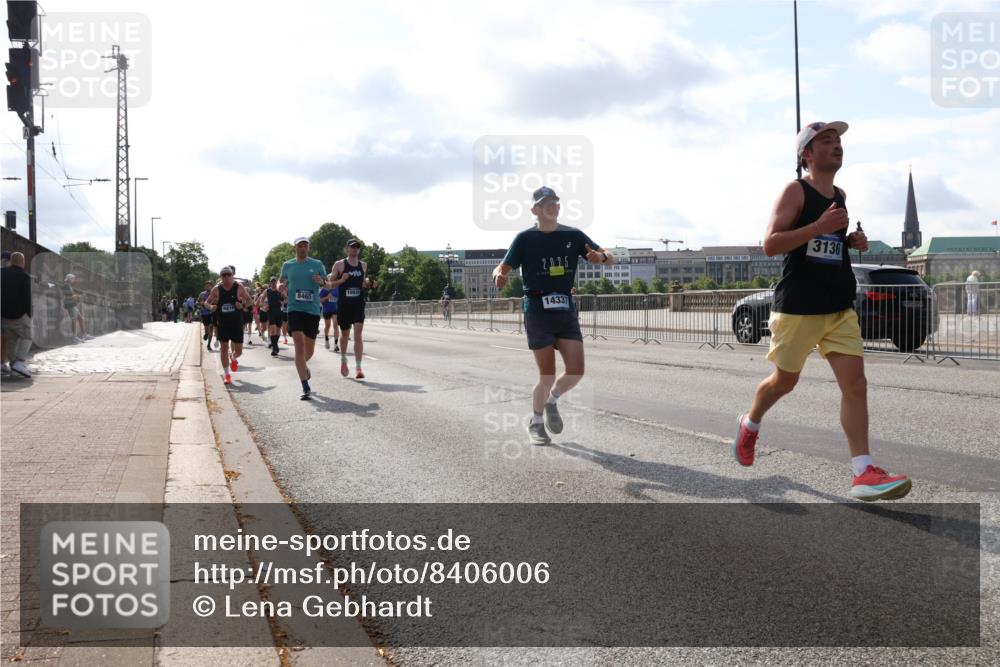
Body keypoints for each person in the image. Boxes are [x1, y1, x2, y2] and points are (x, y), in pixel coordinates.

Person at [732, 120, 911, 502]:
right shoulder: (795, 190)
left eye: (838, 140)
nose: (836, 145)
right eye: (826, 140)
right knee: (784, 382)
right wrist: (818, 225)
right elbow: (771, 244)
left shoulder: (840, 195)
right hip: (799, 308)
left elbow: (826, 243)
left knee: (856, 385)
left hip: (838, 307)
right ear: (807, 155)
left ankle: (863, 471)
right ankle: (750, 423)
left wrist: (849, 240)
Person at [492, 186, 614, 446]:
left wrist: (601, 257)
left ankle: (552, 400)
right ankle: (536, 422)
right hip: (537, 310)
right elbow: (501, 267)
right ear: (535, 209)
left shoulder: (573, 235)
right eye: (546, 203)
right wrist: (499, 275)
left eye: (555, 202)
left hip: (565, 309)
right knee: (546, 374)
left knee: (576, 370)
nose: (552, 206)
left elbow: (609, 257)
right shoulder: (525, 238)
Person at [280, 237, 328, 399]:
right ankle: (305, 386)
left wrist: (321, 282)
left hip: (312, 311)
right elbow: (281, 281)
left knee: (309, 351)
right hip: (294, 309)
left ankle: (303, 365)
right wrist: (281, 286)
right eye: (300, 246)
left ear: (308, 248)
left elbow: (328, 284)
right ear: (295, 248)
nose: (302, 248)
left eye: (305, 246)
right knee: (299, 348)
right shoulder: (288, 265)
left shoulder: (317, 264)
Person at [329, 239, 371, 379]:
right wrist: (341, 280)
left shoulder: (363, 265)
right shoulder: (339, 264)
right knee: (345, 335)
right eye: (352, 247)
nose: (355, 249)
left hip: (358, 304)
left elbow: (362, 283)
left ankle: (358, 368)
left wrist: (367, 283)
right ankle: (343, 360)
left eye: (357, 247)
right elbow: (330, 284)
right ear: (347, 248)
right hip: (344, 305)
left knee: (358, 334)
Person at [206, 266, 253, 385]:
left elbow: (250, 301)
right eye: (224, 275)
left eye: (229, 274)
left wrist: (242, 306)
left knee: (239, 351)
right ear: (221, 277)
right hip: (223, 323)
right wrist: (211, 307)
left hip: (237, 323)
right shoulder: (217, 289)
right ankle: (227, 375)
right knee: (223, 348)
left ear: (232, 276)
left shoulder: (239, 287)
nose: (226, 277)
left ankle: (233, 357)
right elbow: (206, 302)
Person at [1, 252, 33, 378]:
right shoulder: (25, 276)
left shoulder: (2, 273)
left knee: (11, 340)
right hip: (19, 315)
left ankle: (13, 364)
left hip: (4, 315)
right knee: (28, 336)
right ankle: (19, 362)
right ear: (22, 262)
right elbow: (27, 298)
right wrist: (29, 315)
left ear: (11, 260)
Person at [62, 274, 92, 343]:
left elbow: (71, 296)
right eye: (72, 278)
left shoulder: (69, 286)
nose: (73, 280)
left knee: (81, 319)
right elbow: (66, 296)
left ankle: (84, 335)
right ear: (68, 279)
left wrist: (76, 296)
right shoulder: (66, 286)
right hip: (70, 305)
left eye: (73, 278)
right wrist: (76, 296)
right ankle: (74, 337)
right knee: (74, 320)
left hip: (73, 305)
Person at [264, 277, 284, 357]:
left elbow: (285, 300)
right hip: (271, 312)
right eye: (272, 282)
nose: (273, 283)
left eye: (274, 282)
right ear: (270, 283)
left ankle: (275, 345)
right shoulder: (267, 291)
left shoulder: (279, 292)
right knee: (273, 329)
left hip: (279, 312)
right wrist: (265, 305)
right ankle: (275, 347)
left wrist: (283, 302)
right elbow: (261, 299)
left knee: (278, 330)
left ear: (276, 283)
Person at [319, 282, 340, 350]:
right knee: (328, 326)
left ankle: (336, 344)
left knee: (335, 325)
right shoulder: (325, 289)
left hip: (335, 310)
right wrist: (327, 297)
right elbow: (320, 300)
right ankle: (326, 339)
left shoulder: (338, 288)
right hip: (327, 310)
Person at [197, 281, 216, 350]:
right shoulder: (202, 294)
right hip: (204, 313)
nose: (208, 287)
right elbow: (197, 302)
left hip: (212, 313)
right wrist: (200, 303)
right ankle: (206, 333)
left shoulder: (214, 294)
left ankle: (209, 345)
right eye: (206, 286)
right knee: (206, 328)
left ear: (212, 286)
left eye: (209, 286)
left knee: (211, 328)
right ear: (205, 287)